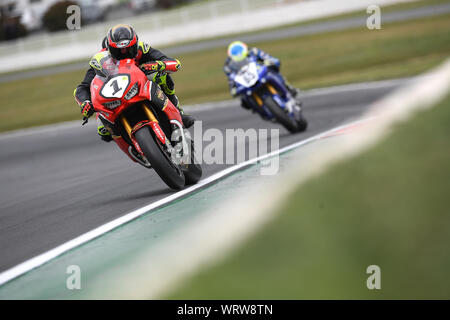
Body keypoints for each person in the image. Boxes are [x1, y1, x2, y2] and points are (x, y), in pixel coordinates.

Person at [73, 24, 193, 166]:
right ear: (110, 49)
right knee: (102, 130)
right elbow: (82, 88)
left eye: (128, 49)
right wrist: (85, 102)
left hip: (141, 86)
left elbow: (173, 63)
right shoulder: (100, 61)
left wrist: (157, 65)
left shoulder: (143, 49)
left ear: (135, 44)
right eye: (119, 51)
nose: (124, 52)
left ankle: (178, 112)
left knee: (163, 78)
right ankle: (131, 146)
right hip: (116, 97)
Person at [223, 41, 301, 111]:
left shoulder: (253, 51)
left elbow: (268, 57)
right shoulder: (228, 66)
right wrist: (233, 89)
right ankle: (258, 108)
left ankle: (288, 88)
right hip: (246, 80)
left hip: (259, 72)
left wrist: (271, 61)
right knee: (243, 101)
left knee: (273, 72)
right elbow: (231, 79)